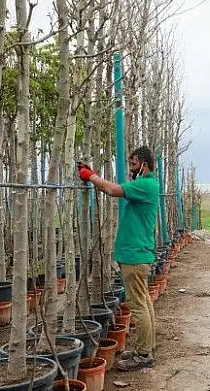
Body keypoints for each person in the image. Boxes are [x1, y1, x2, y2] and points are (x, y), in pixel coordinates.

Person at [77, 145, 159, 371]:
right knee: (144, 302)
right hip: (137, 253)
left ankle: (143, 355)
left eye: (133, 164)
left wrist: (90, 175)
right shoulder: (145, 185)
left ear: (144, 164)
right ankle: (146, 347)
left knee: (138, 305)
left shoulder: (145, 184)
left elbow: (112, 190)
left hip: (135, 256)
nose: (131, 169)